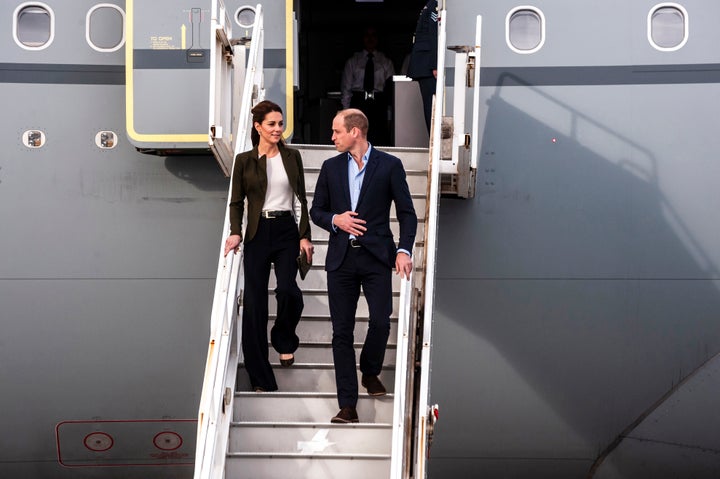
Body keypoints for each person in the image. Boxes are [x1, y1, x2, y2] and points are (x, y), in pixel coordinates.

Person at [310, 109, 417, 423]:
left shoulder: (390, 165)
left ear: (355, 131)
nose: (332, 138)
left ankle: (370, 371)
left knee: (381, 321)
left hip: (376, 257)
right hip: (341, 259)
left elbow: (407, 213)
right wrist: (335, 220)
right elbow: (317, 210)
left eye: (336, 131)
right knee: (341, 333)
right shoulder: (330, 168)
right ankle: (347, 406)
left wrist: (403, 250)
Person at [224, 100, 314, 393]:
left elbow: (300, 198)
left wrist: (304, 235)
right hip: (258, 232)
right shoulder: (244, 160)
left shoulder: (292, 156)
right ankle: (261, 377)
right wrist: (235, 233)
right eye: (272, 124)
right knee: (255, 305)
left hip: (287, 229)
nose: (278, 129)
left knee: (288, 290)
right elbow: (236, 202)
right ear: (258, 126)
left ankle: (284, 339)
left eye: (280, 123)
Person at [340, 26, 395, 146]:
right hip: (359, 101)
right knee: (358, 137)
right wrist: (345, 112)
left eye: (373, 35)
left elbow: (391, 91)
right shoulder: (353, 61)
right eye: (367, 36)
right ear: (362, 38)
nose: (370, 39)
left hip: (379, 103)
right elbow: (346, 89)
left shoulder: (385, 62)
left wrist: (391, 115)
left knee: (378, 138)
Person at [407, 0, 439, 132]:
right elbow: (434, 33)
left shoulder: (431, 3)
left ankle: (433, 141)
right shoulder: (435, 4)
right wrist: (435, 64)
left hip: (425, 63)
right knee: (432, 108)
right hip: (427, 65)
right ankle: (433, 141)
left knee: (431, 107)